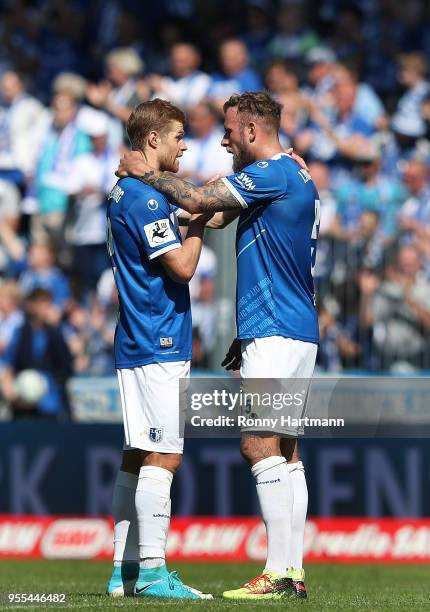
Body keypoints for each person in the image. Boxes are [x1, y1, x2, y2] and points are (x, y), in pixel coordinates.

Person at [117, 91, 320, 600]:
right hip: (294, 329)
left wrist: (144, 174)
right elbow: (213, 211)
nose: (223, 139)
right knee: (289, 451)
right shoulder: (293, 174)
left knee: (259, 445)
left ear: (252, 130)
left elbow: (197, 201)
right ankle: (291, 570)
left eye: (229, 131)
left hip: (275, 328)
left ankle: (277, 572)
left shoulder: (273, 172)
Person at [106, 99, 212, 600]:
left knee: (136, 454)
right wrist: (195, 221)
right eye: (177, 136)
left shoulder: (126, 192)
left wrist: (197, 212)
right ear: (153, 140)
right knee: (163, 456)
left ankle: (122, 572)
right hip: (159, 338)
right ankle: (151, 571)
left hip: (135, 337)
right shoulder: (146, 201)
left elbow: (196, 213)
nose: (184, 145)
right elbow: (183, 268)